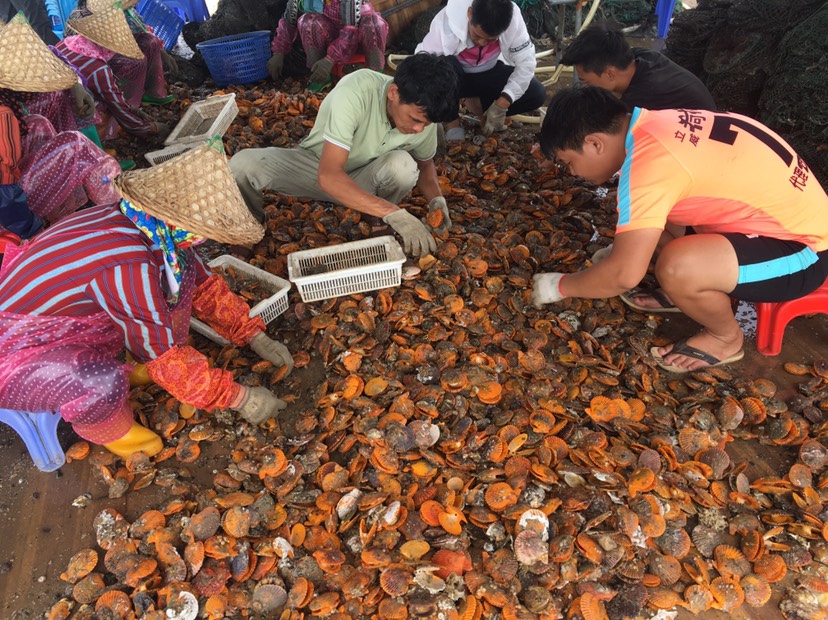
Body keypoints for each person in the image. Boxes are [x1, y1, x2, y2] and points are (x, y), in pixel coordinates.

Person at [0, 141, 295, 459]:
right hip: (15, 354)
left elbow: (202, 284)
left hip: (60, 325)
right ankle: (118, 434)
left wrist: (252, 334)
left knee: (168, 296)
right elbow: (166, 359)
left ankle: (135, 364)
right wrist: (240, 398)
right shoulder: (129, 264)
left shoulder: (147, 222)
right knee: (100, 381)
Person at [530, 86, 828, 373]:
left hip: (805, 251)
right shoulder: (655, 124)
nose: (572, 173)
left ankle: (725, 338)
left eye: (569, 163)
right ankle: (682, 294)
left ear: (595, 143)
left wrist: (557, 286)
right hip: (773, 223)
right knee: (639, 225)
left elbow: (624, 276)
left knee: (677, 267)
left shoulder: (649, 164)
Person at [230, 53, 459, 258]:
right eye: (416, 120)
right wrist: (395, 213)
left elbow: (425, 166)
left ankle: (376, 214)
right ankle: (249, 226)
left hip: (364, 178)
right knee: (242, 164)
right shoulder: (355, 92)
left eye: (427, 123)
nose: (419, 129)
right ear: (394, 93)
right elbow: (328, 177)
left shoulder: (424, 118)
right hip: (315, 167)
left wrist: (436, 200)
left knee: (404, 166)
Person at [0, 13, 120, 239]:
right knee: (75, 145)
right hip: (9, 220)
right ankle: (124, 216)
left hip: (9, 205)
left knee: (37, 124)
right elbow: (4, 196)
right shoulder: (2, 114)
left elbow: (54, 57)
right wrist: (35, 230)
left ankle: (63, 214)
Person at [415, 0, 546, 141]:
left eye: (491, 40)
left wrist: (503, 103)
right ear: (469, 14)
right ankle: (452, 122)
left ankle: (483, 111)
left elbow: (526, 63)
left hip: (489, 71)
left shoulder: (512, 18)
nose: (482, 43)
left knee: (536, 94)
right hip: (456, 79)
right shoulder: (446, 23)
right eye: (477, 36)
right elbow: (423, 61)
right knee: (444, 64)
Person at [56, 0, 172, 140]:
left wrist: (132, 108)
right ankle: (103, 143)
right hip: (67, 119)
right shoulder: (97, 69)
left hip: (66, 98)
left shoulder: (76, 43)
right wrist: (152, 128)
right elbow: (117, 105)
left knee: (107, 98)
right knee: (99, 106)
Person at [561, 21, 716, 113]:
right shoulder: (639, 56)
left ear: (610, 73)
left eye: (585, 81)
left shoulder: (641, 99)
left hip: (701, 146)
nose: (583, 86)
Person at [267, 0, 389, 89]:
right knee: (307, 22)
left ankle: (376, 75)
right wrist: (278, 53)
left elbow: (350, 33)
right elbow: (289, 22)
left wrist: (330, 59)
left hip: (359, 38)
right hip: (332, 36)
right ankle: (319, 78)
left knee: (374, 24)